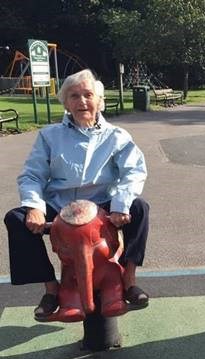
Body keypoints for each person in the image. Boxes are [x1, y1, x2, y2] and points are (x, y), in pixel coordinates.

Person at [4, 69, 150, 321]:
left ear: (99, 100)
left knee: (140, 208)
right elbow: (32, 174)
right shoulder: (50, 136)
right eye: (74, 96)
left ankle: (128, 278)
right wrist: (34, 207)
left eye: (87, 94)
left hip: (102, 205)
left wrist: (120, 205)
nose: (82, 101)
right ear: (66, 103)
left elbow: (134, 171)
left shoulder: (117, 136)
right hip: (61, 206)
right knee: (16, 219)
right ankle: (51, 289)